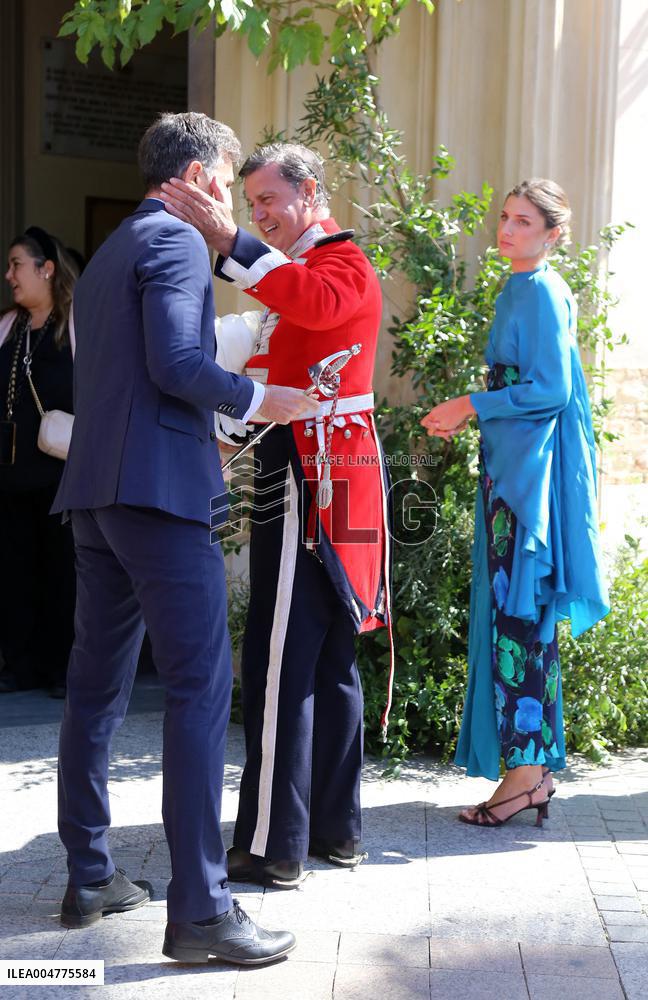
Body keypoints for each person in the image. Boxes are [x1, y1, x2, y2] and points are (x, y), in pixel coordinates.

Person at [53, 113, 320, 964]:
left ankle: (90, 873)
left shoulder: (109, 253)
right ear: (202, 175)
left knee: (94, 691)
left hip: (97, 497)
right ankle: (200, 912)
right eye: (227, 179)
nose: (227, 199)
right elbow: (175, 362)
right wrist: (256, 401)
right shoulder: (172, 242)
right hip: (159, 498)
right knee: (201, 692)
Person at [161, 142, 391, 888]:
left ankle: (272, 845)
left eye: (268, 200)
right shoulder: (305, 270)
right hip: (333, 470)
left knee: (280, 657)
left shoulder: (341, 263)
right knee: (325, 659)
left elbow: (310, 300)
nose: (257, 214)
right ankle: (334, 831)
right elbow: (286, 337)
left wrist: (229, 240)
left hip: (315, 472)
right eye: (250, 203)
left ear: (312, 192)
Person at [421, 179, 609, 826]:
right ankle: (527, 772)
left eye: (524, 221)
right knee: (514, 621)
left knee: (520, 621)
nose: (507, 229)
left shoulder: (543, 291)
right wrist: (470, 415)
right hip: (511, 473)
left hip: (528, 485)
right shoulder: (519, 287)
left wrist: (468, 404)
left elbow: (552, 390)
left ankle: (526, 774)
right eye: (505, 217)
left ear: (553, 234)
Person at [0, 227, 78, 697]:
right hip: (10, 475)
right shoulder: (8, 326)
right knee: (13, 573)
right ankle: (19, 665)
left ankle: (62, 669)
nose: (9, 275)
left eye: (16, 265)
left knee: (62, 574)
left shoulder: (75, 327)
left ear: (45, 269)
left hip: (61, 473)